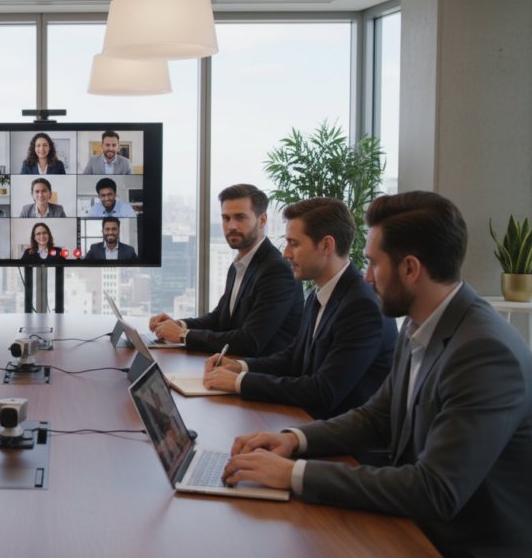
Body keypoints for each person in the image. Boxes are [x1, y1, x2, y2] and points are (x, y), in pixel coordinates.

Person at [221, 192, 532, 557]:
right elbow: (376, 416)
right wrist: (292, 440)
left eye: (372, 263)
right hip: (414, 522)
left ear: (410, 268)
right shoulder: (420, 325)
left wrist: (293, 474)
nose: (366, 276)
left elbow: (436, 490)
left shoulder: (484, 353)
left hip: (459, 543)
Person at [202, 198, 396, 422]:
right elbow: (294, 357)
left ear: (326, 245)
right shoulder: (318, 293)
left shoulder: (361, 306)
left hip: (343, 444)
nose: (285, 253)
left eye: (294, 244)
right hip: (308, 421)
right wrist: (238, 367)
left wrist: (239, 382)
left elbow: (324, 391)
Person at [150, 184, 302, 357]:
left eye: (240, 218)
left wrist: (182, 336)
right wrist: (179, 325)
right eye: (226, 218)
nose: (231, 226)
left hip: (259, 375)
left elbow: (250, 341)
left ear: (262, 220)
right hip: (230, 365)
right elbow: (220, 318)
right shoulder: (239, 264)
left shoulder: (276, 270)